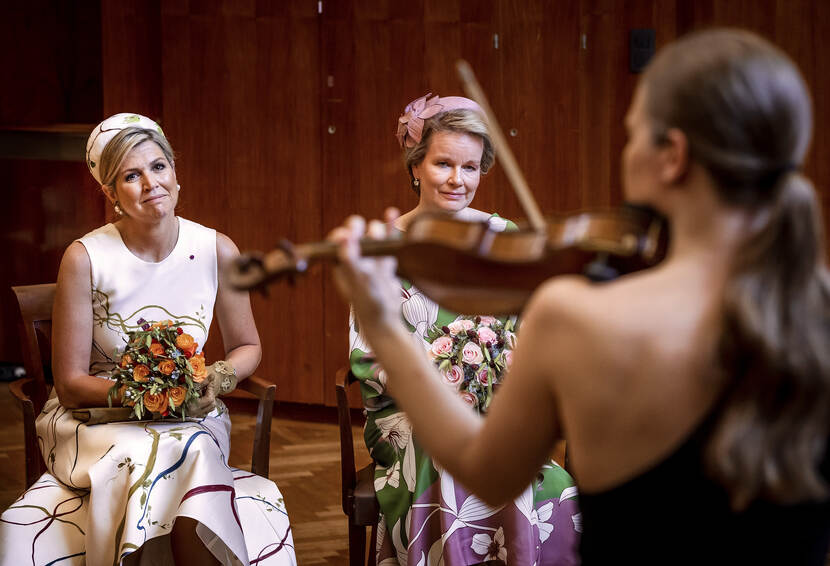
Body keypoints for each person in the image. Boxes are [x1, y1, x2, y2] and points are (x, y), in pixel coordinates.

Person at [331, 30, 830, 565]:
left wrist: (383, 321)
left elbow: (488, 468)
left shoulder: (578, 316)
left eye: (633, 133)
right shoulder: (814, 305)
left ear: (672, 156)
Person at [0, 114, 296, 566]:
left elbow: (247, 346)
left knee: (190, 445)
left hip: (193, 417)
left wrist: (217, 376)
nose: (150, 184)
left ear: (176, 173)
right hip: (96, 422)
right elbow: (71, 382)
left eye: (159, 167)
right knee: (151, 451)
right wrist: (149, 398)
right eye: (131, 175)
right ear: (111, 193)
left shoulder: (218, 249)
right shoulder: (84, 257)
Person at [348, 94, 579, 565]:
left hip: (498, 413)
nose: (458, 180)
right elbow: (367, 358)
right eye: (443, 164)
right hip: (408, 418)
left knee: (556, 485)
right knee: (444, 448)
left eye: (470, 168)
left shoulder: (505, 238)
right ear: (416, 166)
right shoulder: (382, 246)